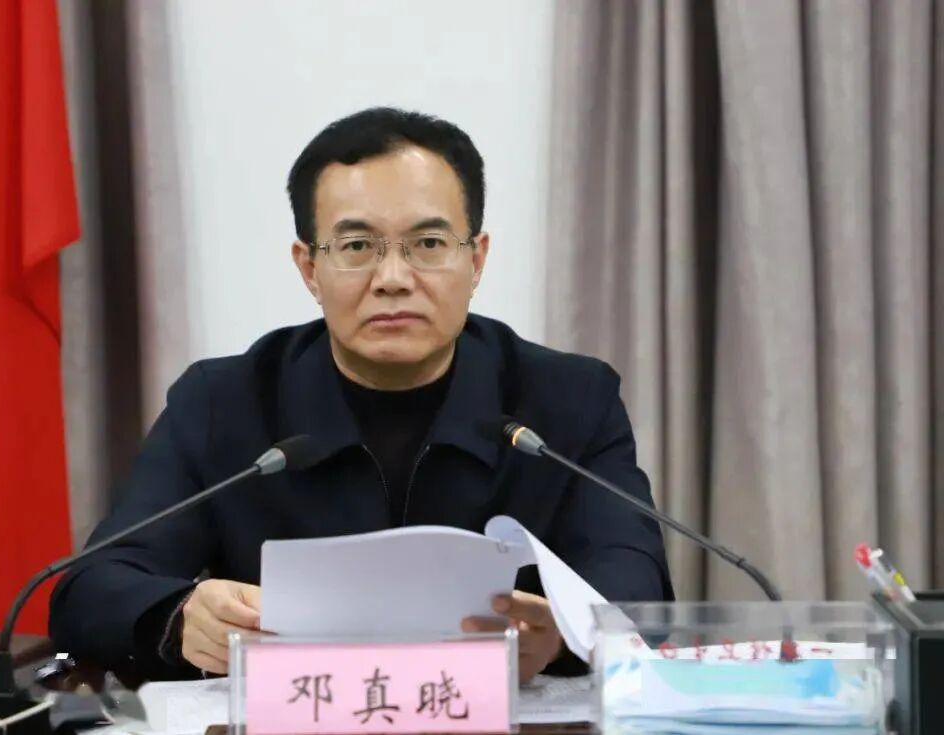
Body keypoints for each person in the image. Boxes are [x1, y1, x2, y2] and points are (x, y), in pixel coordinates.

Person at [49, 107, 673, 681]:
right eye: (356, 247)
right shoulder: (223, 402)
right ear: (309, 268)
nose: (393, 279)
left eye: (428, 244)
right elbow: (93, 587)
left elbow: (637, 583)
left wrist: (561, 634)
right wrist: (181, 615)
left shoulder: (569, 400)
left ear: (476, 260)